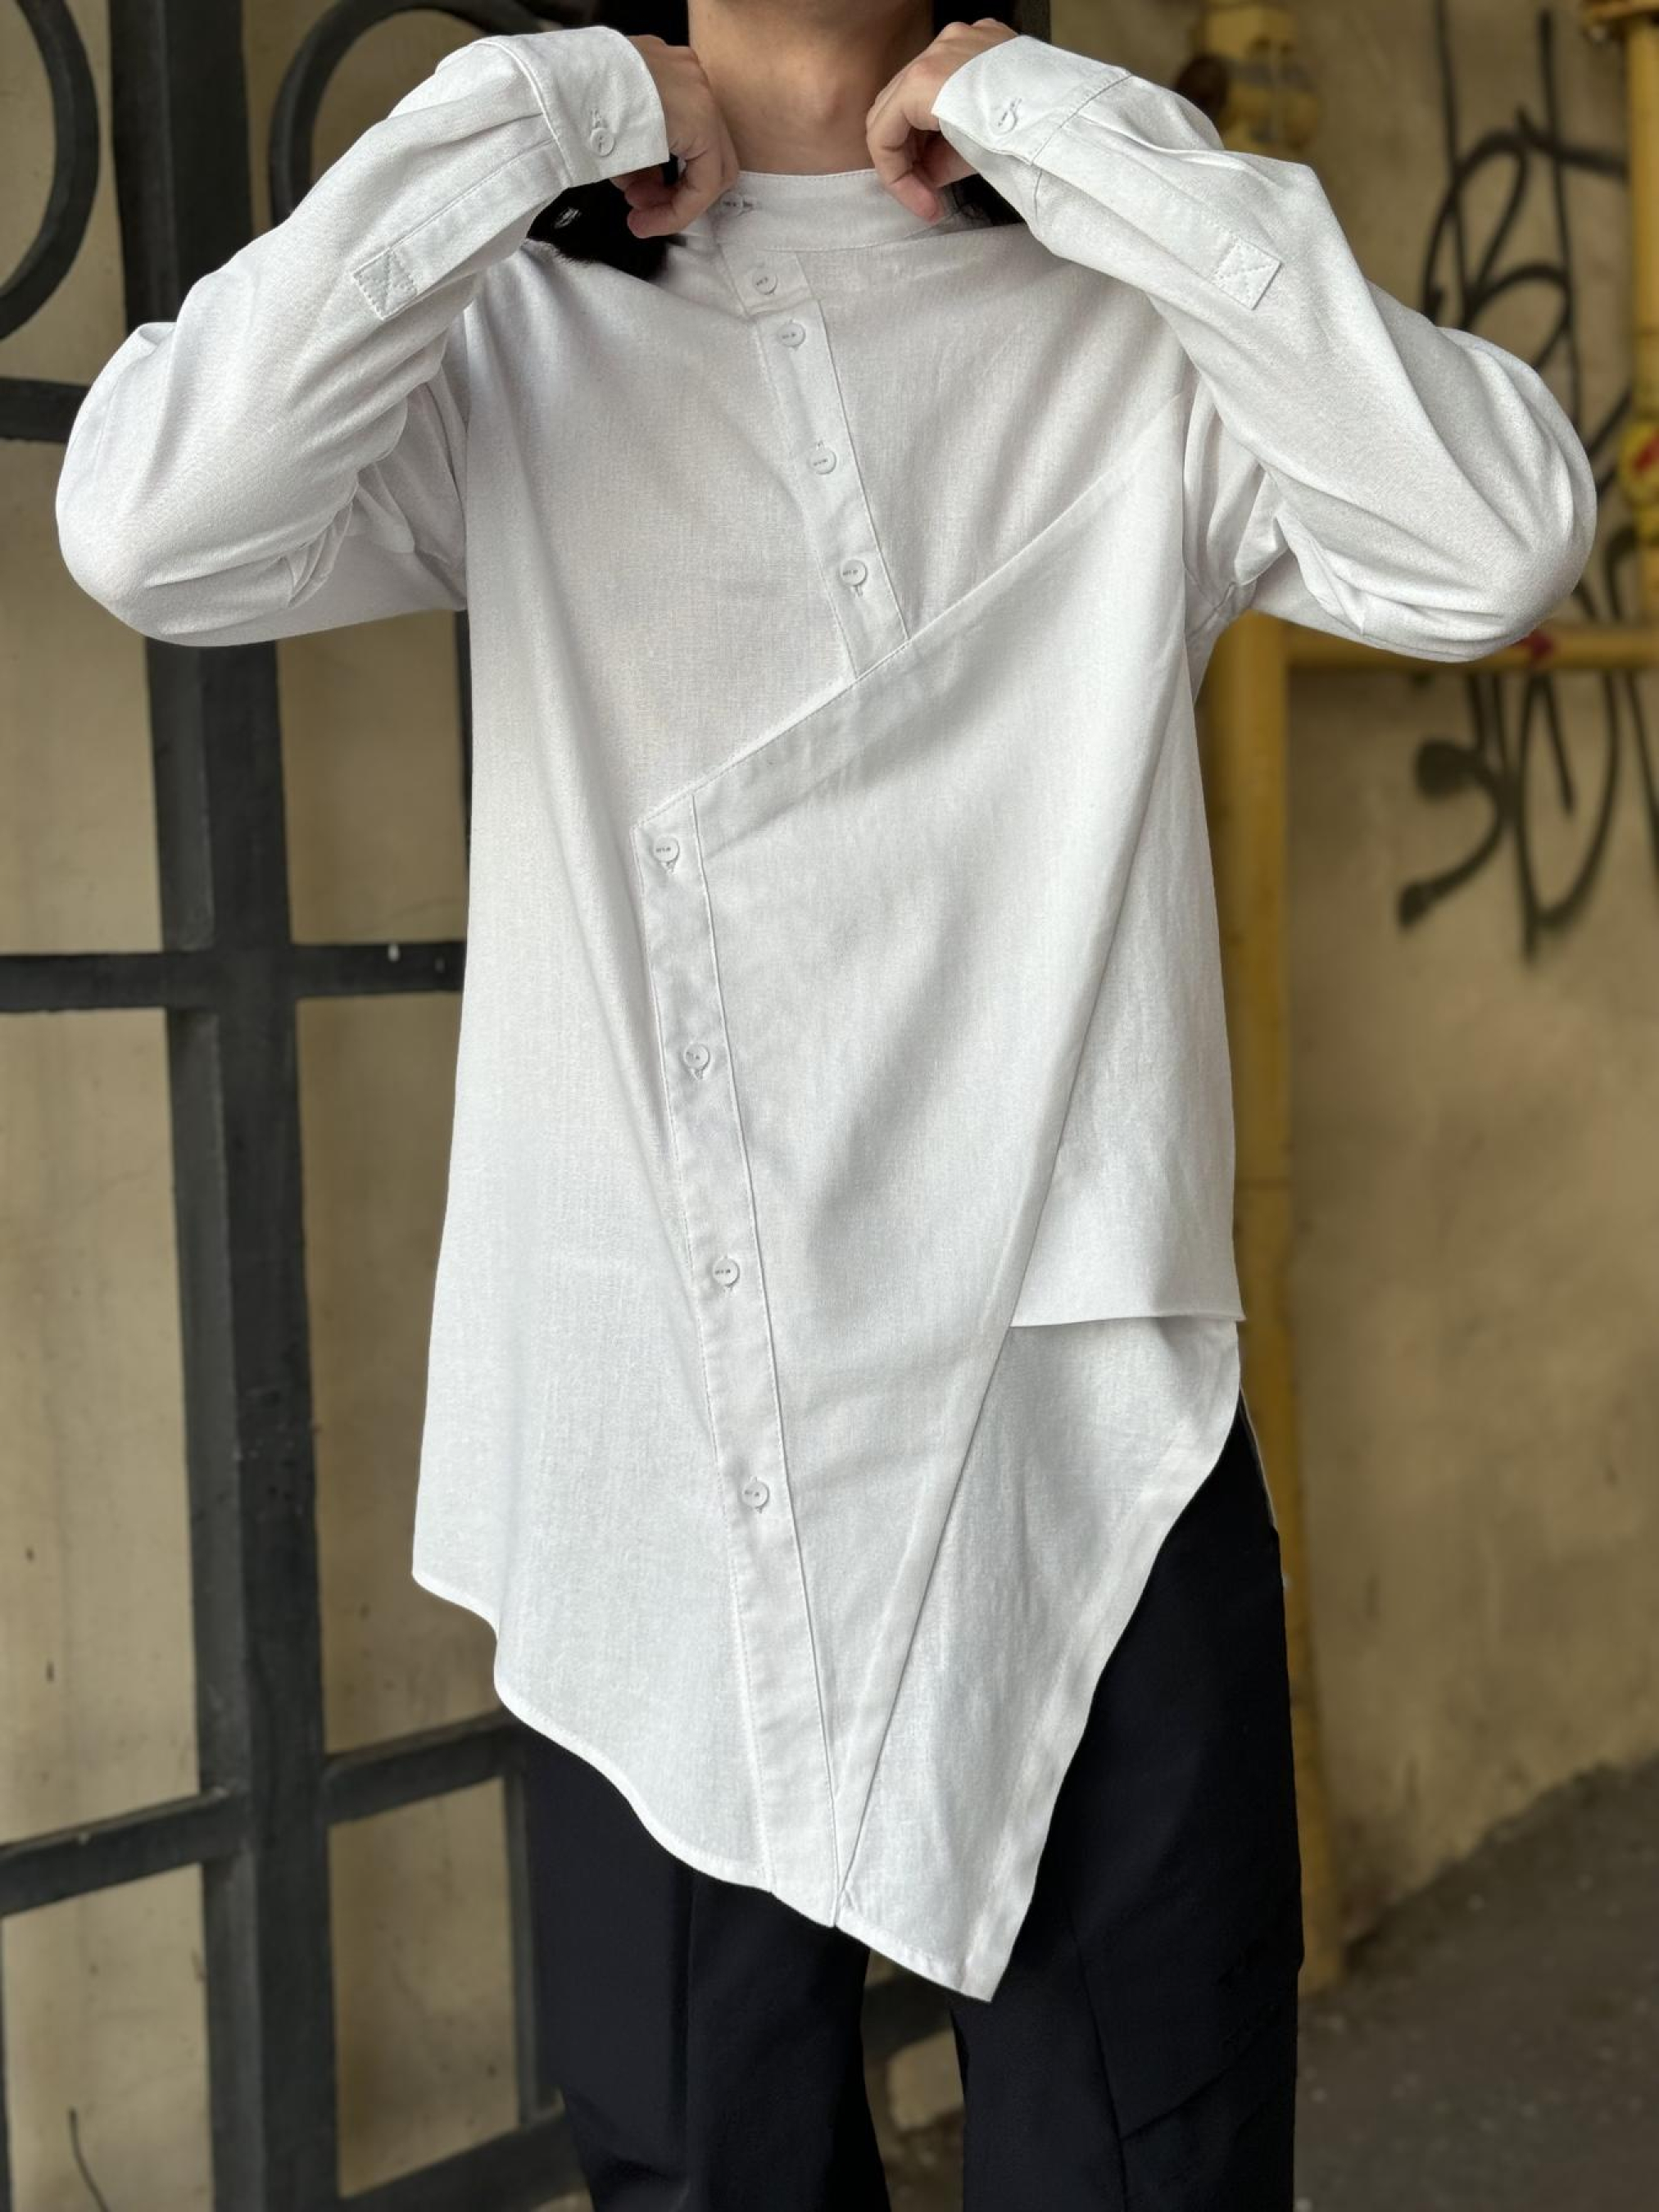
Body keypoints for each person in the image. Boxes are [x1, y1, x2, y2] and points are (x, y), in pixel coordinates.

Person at [54, 3, 1597, 2205]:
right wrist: (540, 110)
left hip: (1071, 1399)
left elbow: (1495, 540)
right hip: (653, 1415)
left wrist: (1070, 131)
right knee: (708, 2158)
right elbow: (151, 524)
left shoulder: (1132, 316)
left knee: (1148, 2151)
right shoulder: (516, 329)